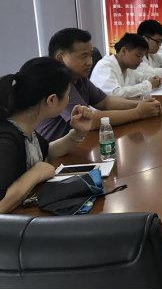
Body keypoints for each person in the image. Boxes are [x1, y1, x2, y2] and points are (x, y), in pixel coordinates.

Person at [0, 58, 94, 214]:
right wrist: (35, 174)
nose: (68, 100)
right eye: (67, 95)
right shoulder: (6, 139)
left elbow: (47, 152)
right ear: (51, 100)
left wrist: (78, 133)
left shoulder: (24, 125)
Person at [37, 29, 161, 143]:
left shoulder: (79, 78)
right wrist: (138, 112)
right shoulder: (56, 81)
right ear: (61, 58)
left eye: (90, 55)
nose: (90, 62)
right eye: (83, 56)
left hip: (75, 144)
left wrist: (141, 104)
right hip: (52, 154)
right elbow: (90, 121)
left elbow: (105, 101)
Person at [91, 33, 162, 99]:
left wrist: (153, 78)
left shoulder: (127, 67)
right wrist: (149, 84)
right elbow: (116, 94)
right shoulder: (105, 66)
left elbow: (139, 77)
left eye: (142, 57)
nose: (141, 60)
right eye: (138, 56)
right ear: (123, 51)